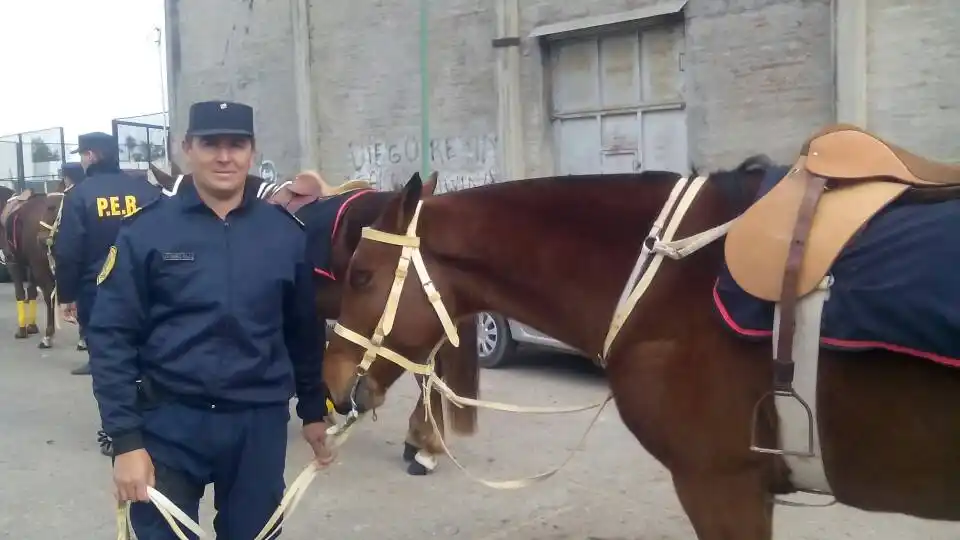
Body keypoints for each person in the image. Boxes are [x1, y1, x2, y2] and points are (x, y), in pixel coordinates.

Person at [87, 100, 334, 540]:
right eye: (210, 144)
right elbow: (111, 337)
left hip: (257, 425)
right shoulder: (145, 231)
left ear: (252, 151)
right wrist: (125, 441)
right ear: (187, 148)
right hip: (169, 422)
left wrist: (313, 410)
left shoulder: (284, 234)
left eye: (236, 145)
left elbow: (304, 330)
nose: (224, 157)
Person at [53, 132, 161, 376]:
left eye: (82, 155)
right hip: (145, 284)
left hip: (96, 289)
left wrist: (67, 295)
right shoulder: (146, 191)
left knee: (106, 361)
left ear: (91, 155)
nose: (82, 161)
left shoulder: (79, 195)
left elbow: (69, 250)